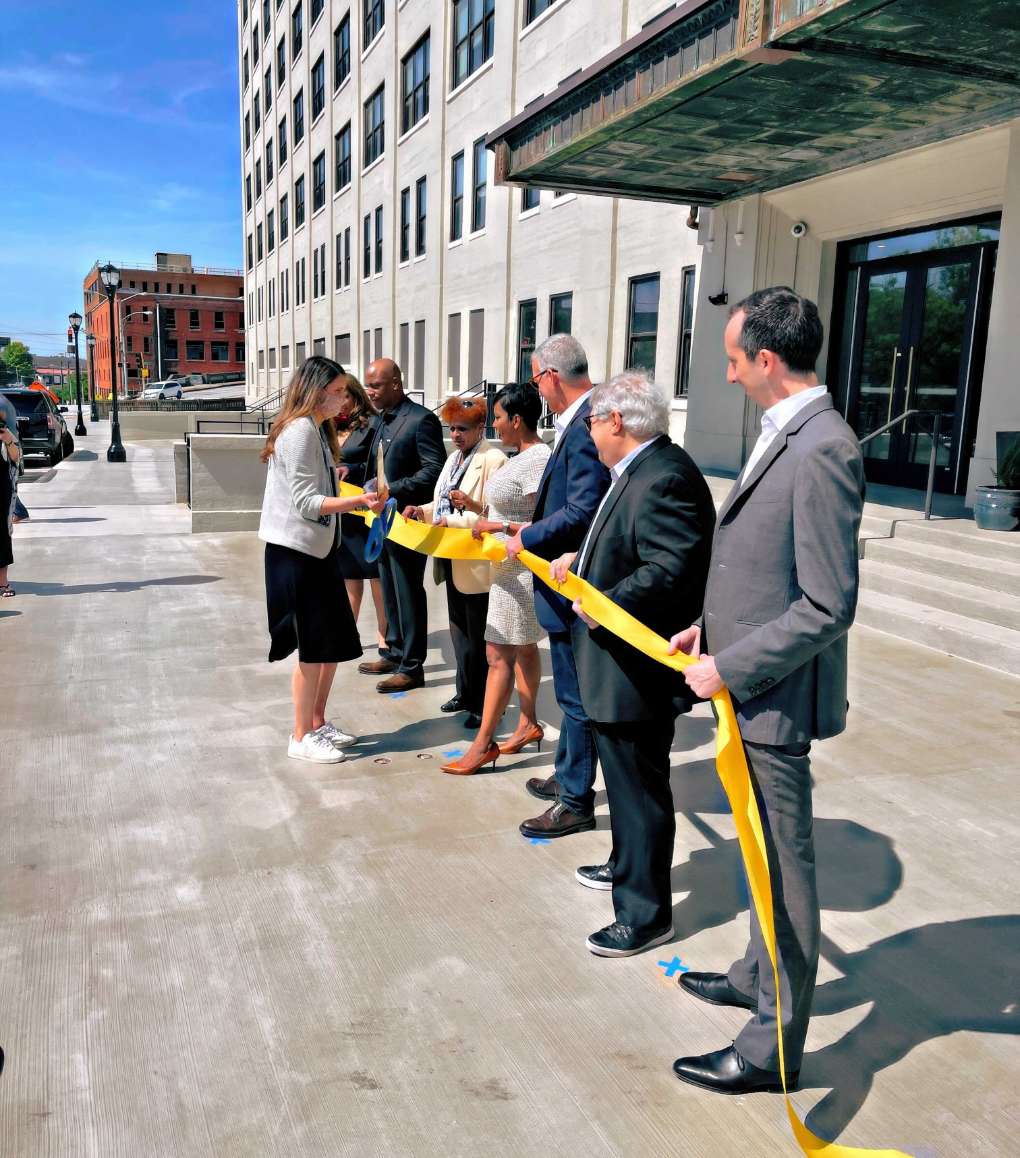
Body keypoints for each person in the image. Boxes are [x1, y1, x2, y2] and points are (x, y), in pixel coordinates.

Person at [668, 287, 865, 1096]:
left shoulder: (822, 446)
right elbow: (763, 567)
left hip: (772, 701)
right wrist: (709, 632)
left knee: (785, 872)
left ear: (768, 361)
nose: (728, 368)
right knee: (759, 857)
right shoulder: (785, 429)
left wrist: (734, 667)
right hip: (743, 681)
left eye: (733, 356)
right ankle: (756, 973)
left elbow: (826, 603)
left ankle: (769, 1048)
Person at [549, 370, 716, 956]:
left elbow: (671, 568)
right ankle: (627, 865)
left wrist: (604, 604)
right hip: (615, 667)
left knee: (640, 791)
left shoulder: (665, 477)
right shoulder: (640, 470)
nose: (588, 431)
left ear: (616, 421)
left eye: (593, 420)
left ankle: (644, 915)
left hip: (636, 672)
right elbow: (625, 544)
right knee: (624, 786)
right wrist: (583, 558)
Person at [506, 335, 610, 838]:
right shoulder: (584, 419)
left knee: (574, 696)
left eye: (535, 379)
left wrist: (527, 534)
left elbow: (581, 511)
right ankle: (569, 774)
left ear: (549, 376)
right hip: (562, 578)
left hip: (573, 581)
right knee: (571, 694)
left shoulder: (589, 423)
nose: (538, 391)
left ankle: (575, 800)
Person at [258, 356, 368, 764]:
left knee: (330, 643)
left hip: (315, 552)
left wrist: (334, 480)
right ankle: (301, 735)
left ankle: (316, 722)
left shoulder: (317, 430)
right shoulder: (301, 431)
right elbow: (307, 503)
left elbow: (305, 489)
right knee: (313, 648)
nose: (344, 400)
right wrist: (357, 500)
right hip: (297, 554)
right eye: (339, 391)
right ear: (316, 390)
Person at [440, 384, 551, 775]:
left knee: (497, 654)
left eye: (500, 419)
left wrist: (498, 524)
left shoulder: (538, 458)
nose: (496, 426)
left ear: (517, 420)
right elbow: (510, 505)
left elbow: (546, 523)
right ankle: (528, 723)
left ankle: (483, 744)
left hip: (520, 570)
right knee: (523, 650)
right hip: (507, 568)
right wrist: (478, 510)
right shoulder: (520, 455)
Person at [403, 397, 507, 729]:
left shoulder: (495, 459)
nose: (456, 434)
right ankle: (465, 692)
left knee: (479, 637)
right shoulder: (453, 459)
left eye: (462, 428)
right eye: (452, 428)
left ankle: (486, 704)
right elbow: (442, 503)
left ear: (480, 428)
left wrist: (468, 508)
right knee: (459, 631)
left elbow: (498, 516)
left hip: (476, 560)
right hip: (451, 555)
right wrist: (423, 511)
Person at [359, 359, 446, 692]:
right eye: (368, 386)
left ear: (395, 383)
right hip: (382, 521)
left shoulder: (421, 420)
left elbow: (432, 471)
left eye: (376, 386)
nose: (370, 392)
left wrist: (390, 490)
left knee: (408, 591)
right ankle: (394, 651)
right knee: (390, 589)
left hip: (407, 521)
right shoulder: (382, 420)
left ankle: (412, 666)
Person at [335, 373, 387, 655]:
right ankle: (347, 635)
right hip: (341, 511)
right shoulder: (328, 425)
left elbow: (376, 463)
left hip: (366, 509)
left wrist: (351, 471)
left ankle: (384, 634)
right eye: (337, 396)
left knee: (376, 575)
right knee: (349, 577)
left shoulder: (373, 424)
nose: (341, 403)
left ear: (356, 395)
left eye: (346, 396)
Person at [0, 402, 21, 598]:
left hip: (1, 489)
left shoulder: (5, 434)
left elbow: (16, 458)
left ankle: (3, 583)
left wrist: (7, 440)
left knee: (2, 535)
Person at [0, 393, 27, 524]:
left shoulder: (2, 403)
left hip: (7, 450)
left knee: (8, 483)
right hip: (10, 449)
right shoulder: (4, 401)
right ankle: (19, 510)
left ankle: (19, 511)